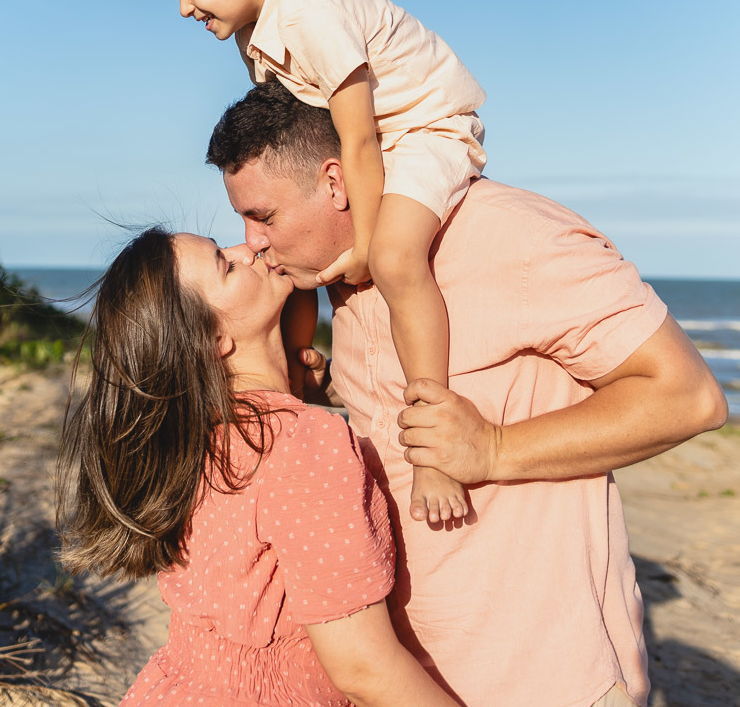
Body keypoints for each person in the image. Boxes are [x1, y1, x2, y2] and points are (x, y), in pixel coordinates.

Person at [206, 82, 729, 707]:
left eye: (263, 216)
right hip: (410, 680)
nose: (251, 240)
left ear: (334, 182)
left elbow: (689, 396)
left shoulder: (515, 236)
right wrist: (333, 392)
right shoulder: (337, 276)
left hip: (544, 680)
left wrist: (494, 448)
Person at [116, 0, 486, 525]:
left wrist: (366, 247)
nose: (184, 8)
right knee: (289, 262)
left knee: (396, 259)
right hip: (370, 139)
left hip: (423, 127)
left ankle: (434, 439)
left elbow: (359, 141)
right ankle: (297, 384)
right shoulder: (254, 34)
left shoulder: (313, 17)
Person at [57, 226, 459, 707]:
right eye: (226, 266)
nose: (247, 249)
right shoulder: (302, 444)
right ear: (214, 339)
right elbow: (364, 669)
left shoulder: (193, 440)